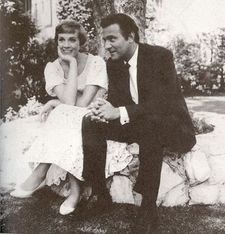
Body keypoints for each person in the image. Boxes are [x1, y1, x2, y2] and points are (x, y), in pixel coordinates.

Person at [82, 13, 196, 233]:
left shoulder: (160, 57)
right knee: (90, 122)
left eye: (112, 39)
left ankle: (147, 207)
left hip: (171, 126)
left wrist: (120, 111)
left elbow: (162, 103)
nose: (106, 45)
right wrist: (103, 110)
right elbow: (118, 102)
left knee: (151, 127)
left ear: (131, 36)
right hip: (139, 123)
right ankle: (100, 194)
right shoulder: (113, 65)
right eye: (105, 40)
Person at [10, 20, 109, 216]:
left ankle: (42, 173)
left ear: (81, 42)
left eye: (72, 40)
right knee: (65, 114)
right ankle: (74, 189)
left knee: (64, 112)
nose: (66, 45)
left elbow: (79, 104)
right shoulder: (52, 67)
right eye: (61, 40)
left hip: (95, 117)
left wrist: (57, 100)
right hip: (73, 116)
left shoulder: (96, 63)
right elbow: (71, 102)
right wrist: (62, 100)